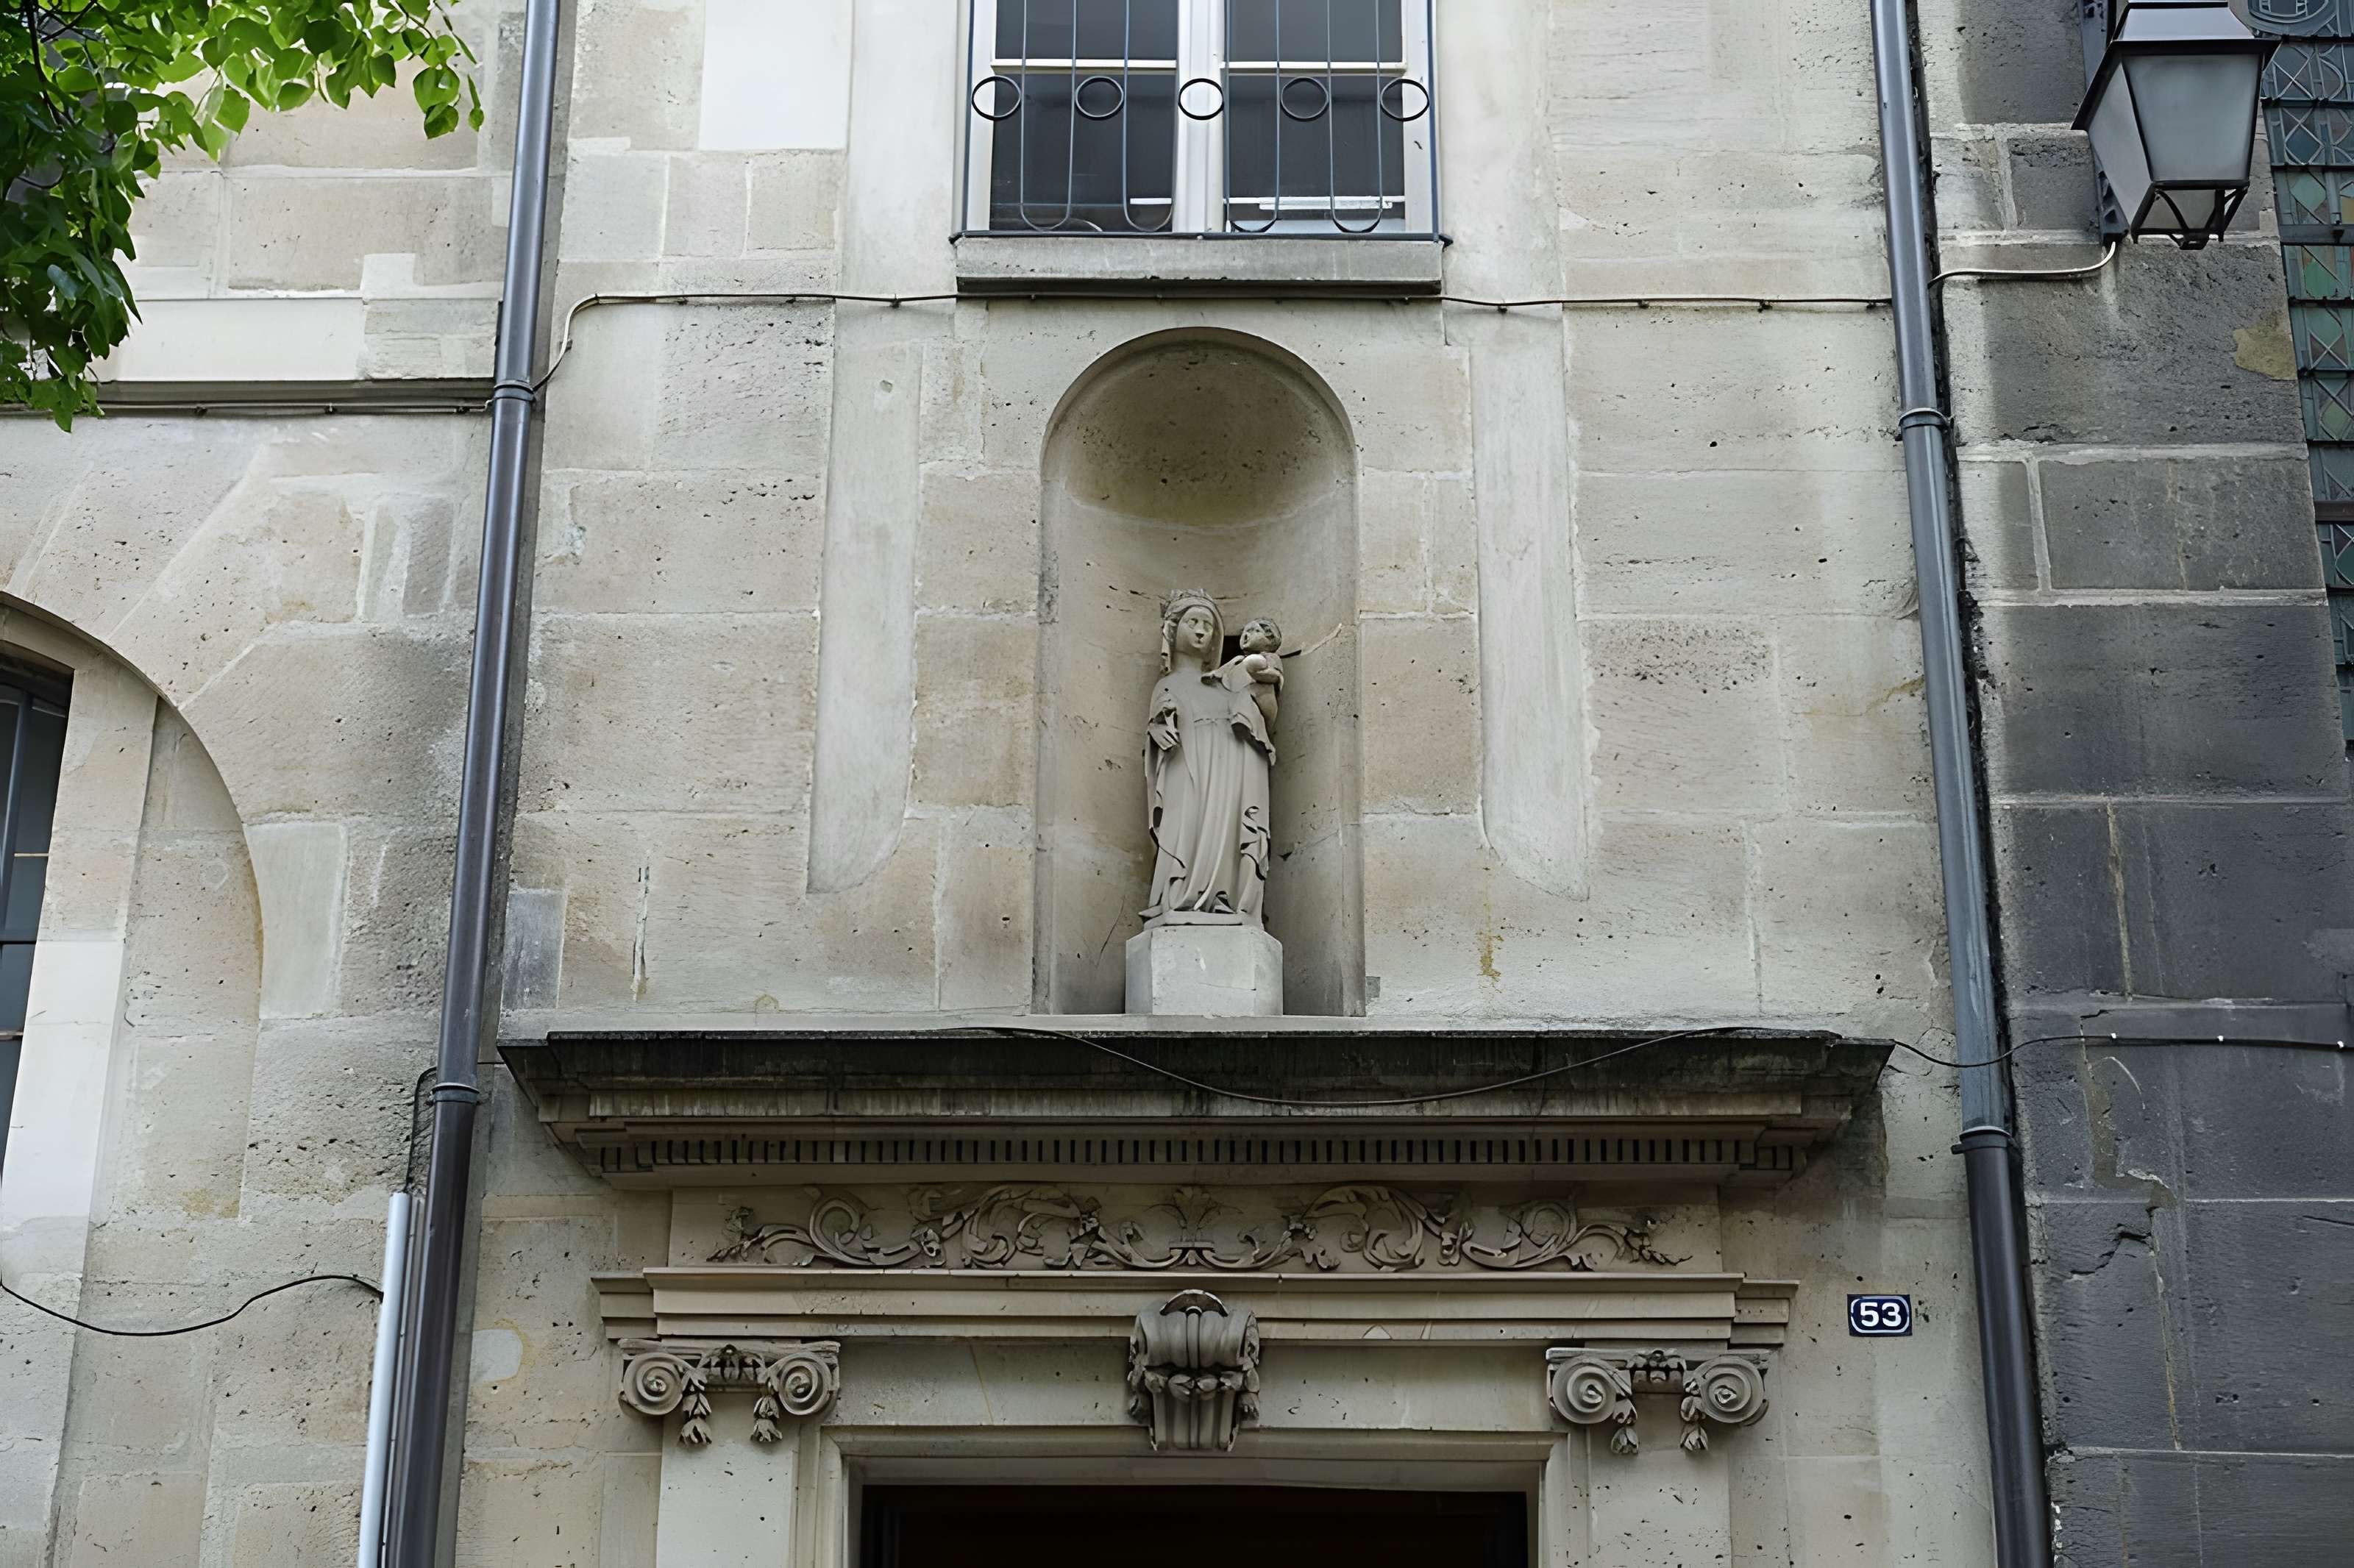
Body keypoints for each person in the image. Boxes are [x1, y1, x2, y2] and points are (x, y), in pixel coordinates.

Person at [1142, 591, 1279, 924]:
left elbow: (1263, 720)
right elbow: (1158, 729)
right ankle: (1177, 897)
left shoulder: (1227, 680)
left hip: (1230, 765)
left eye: (1208, 625)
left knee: (1227, 825)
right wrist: (1158, 731)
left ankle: (1225, 896)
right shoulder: (1167, 684)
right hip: (1186, 765)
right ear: (1174, 632)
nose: (1202, 631)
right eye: (1193, 623)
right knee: (1184, 821)